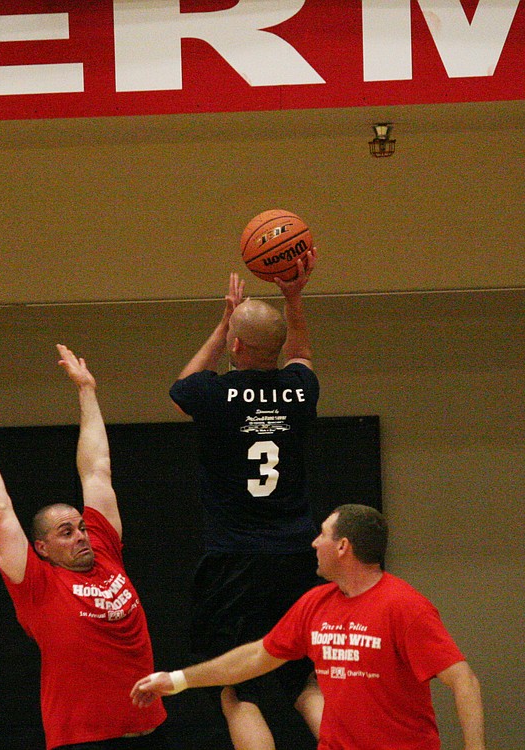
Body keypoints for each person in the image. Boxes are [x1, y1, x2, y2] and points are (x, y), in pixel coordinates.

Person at [0, 344, 167, 750]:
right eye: (66, 532)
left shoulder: (105, 550)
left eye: (80, 527)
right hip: (84, 739)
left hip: (147, 729)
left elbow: (97, 468)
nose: (81, 535)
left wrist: (87, 391)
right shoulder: (36, 583)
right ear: (41, 547)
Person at [131, 504, 486, 750]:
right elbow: (255, 656)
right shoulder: (316, 603)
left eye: (322, 535)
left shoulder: (405, 607)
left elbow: (464, 681)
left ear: (343, 546)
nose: (314, 542)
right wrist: (177, 680)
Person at [169, 252, 323, 749]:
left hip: (236, 559)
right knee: (304, 682)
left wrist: (221, 324)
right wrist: (293, 298)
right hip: (298, 556)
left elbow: (182, 386)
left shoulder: (215, 395)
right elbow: (299, 354)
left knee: (240, 690)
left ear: (237, 343)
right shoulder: (301, 391)